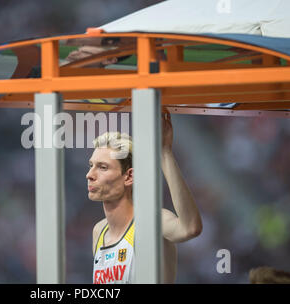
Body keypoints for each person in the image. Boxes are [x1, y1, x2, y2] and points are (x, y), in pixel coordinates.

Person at [87, 112, 203, 284]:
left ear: (128, 177)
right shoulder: (99, 231)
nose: (89, 174)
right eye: (91, 166)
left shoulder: (150, 221)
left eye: (102, 167)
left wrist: (165, 153)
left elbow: (190, 228)